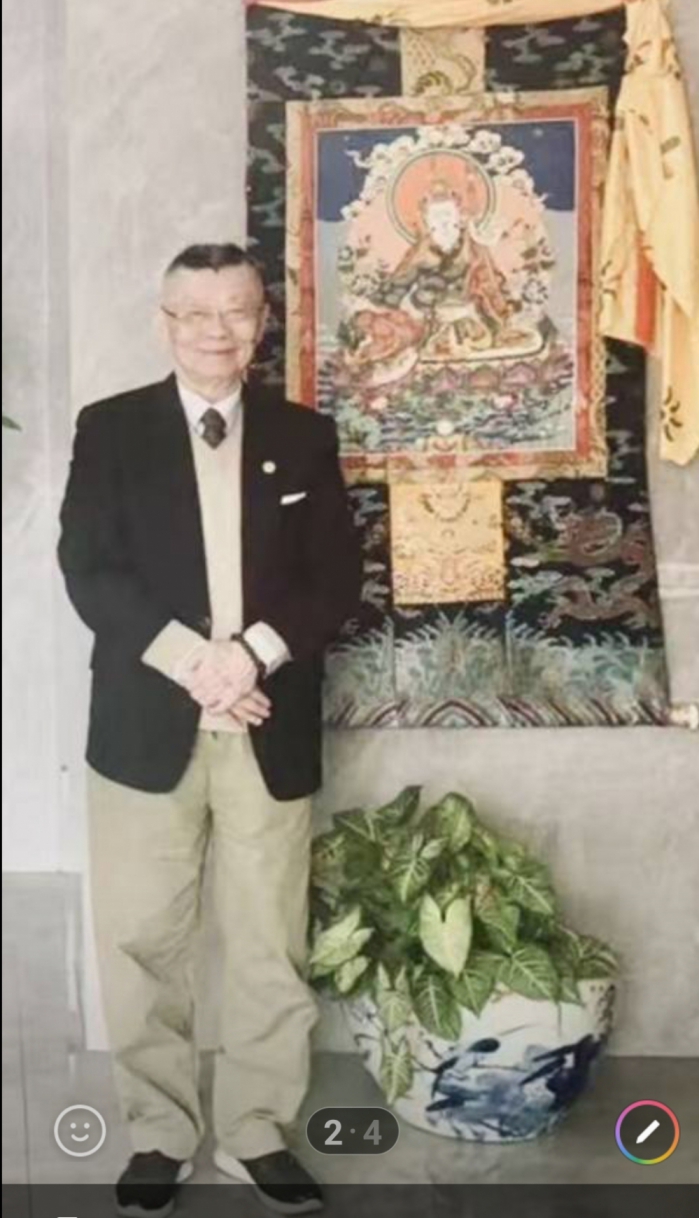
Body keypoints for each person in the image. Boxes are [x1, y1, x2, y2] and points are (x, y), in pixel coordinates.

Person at [58, 243, 363, 1217]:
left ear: (262, 322)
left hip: (266, 720)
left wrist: (250, 658)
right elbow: (89, 568)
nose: (215, 330)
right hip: (148, 721)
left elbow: (335, 576)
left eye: (235, 310)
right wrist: (199, 666)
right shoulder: (110, 429)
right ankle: (159, 1132)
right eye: (194, 312)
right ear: (165, 323)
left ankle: (256, 1133)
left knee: (269, 938)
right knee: (141, 938)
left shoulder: (304, 436)